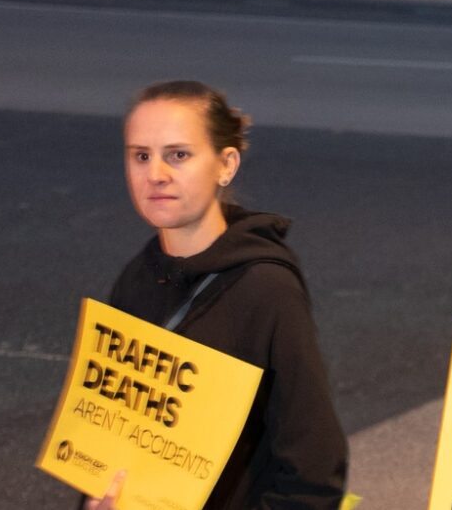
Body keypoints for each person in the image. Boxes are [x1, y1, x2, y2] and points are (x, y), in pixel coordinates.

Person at [94, 80, 348, 510]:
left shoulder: (266, 289)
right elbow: (109, 438)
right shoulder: (137, 277)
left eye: (179, 155)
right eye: (141, 156)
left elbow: (315, 472)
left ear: (226, 164)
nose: (156, 174)